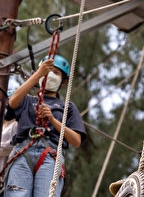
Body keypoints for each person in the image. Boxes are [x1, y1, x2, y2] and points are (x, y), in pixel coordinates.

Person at [3, 55, 86, 197]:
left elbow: (76, 140)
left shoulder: (67, 108)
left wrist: (53, 120)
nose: (51, 75)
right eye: (48, 71)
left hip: (50, 156)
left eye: (56, 73)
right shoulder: (28, 100)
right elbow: (12, 103)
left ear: (64, 82)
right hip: (22, 152)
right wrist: (38, 75)